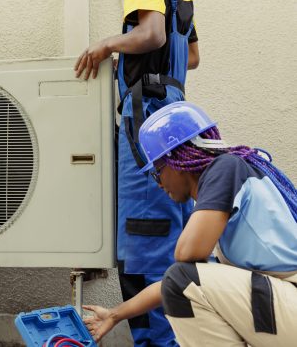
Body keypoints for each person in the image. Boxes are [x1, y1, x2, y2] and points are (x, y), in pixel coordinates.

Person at [74, 0, 199, 346]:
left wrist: (108, 43)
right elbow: (193, 56)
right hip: (176, 117)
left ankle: (158, 342)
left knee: (143, 239)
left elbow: (152, 36)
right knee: (175, 238)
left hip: (147, 117)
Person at [84, 101, 297, 347]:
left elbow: (184, 260)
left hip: (288, 298)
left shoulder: (224, 168)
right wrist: (115, 314)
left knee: (182, 280)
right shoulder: (230, 185)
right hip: (283, 301)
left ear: (175, 159)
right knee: (185, 281)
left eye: (157, 171)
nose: (158, 183)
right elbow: (185, 281)